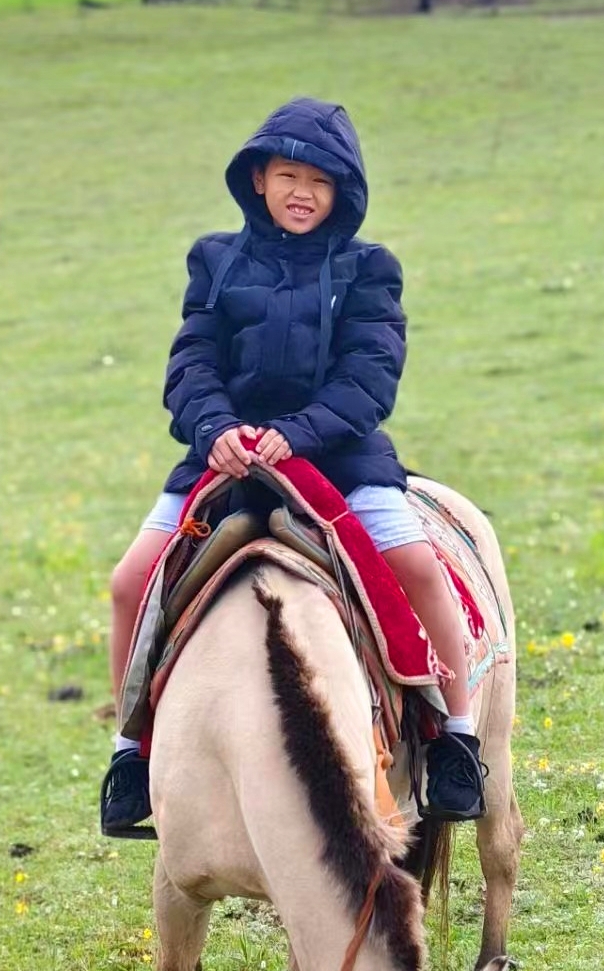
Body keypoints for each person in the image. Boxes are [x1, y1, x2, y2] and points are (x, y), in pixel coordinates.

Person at [100, 97, 485, 832]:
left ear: (343, 192)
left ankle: (455, 737)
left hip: (340, 458)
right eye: (287, 175)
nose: (302, 192)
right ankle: (131, 751)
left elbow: (370, 378)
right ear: (258, 180)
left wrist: (298, 433)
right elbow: (191, 364)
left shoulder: (370, 268)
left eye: (320, 180)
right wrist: (214, 428)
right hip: (225, 460)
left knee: (419, 569)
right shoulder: (215, 260)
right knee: (128, 583)